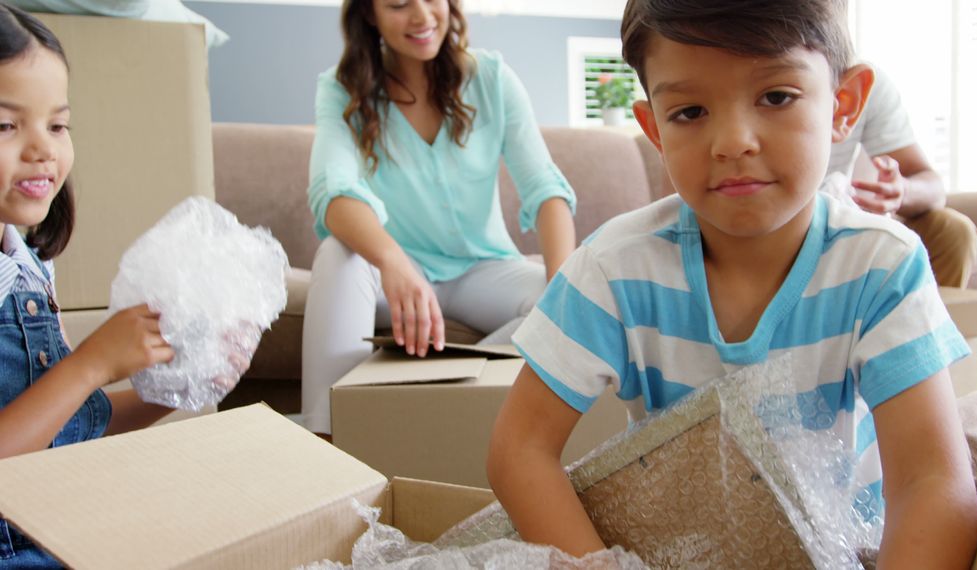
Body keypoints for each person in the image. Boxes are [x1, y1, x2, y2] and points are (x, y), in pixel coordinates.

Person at [487, 0, 977, 567]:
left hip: (851, 548)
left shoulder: (880, 264)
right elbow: (519, 450)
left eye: (776, 97)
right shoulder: (614, 269)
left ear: (843, 105)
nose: (733, 141)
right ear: (653, 128)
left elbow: (932, 482)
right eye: (690, 112)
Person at [0, 5, 249, 567]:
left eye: (58, 125)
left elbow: (64, 432)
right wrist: (88, 364)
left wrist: (169, 391)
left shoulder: (31, 266)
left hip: (60, 536)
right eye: (6, 125)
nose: (43, 148)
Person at [302, 0, 576, 436]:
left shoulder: (492, 79)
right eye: (398, 4)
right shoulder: (341, 90)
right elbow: (331, 191)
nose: (422, 16)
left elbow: (546, 191)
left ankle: (437, 400)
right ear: (369, 13)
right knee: (337, 253)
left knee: (568, 301)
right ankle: (327, 436)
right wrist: (394, 263)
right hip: (392, 274)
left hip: (484, 269)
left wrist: (567, 291)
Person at [829, 67, 977, 288]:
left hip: (837, 226)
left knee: (952, 230)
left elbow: (933, 188)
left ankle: (934, 321)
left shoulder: (865, 83)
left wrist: (901, 190)